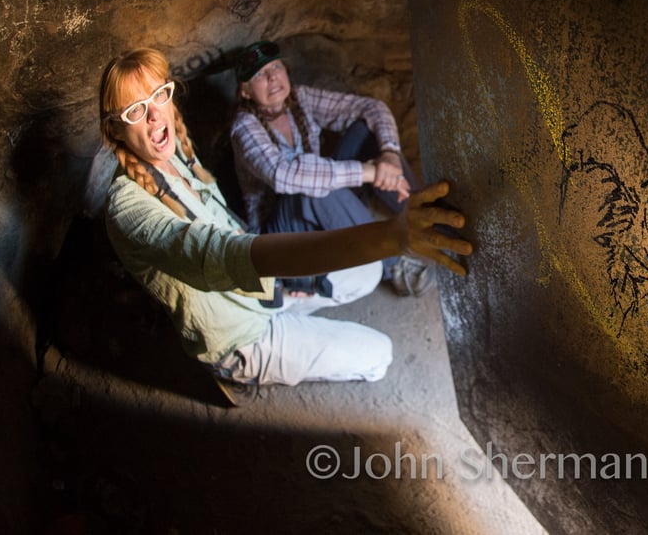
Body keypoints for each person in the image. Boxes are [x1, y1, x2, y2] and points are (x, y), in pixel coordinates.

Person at [99, 47, 472, 404]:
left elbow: (368, 109)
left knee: (369, 272)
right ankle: (238, 369)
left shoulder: (175, 152)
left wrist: (387, 153)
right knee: (381, 354)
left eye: (159, 95)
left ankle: (328, 281)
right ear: (114, 130)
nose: (152, 116)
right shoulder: (127, 206)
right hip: (241, 332)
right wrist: (391, 233)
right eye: (134, 111)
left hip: (263, 290)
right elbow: (219, 252)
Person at [230, 40, 430, 299]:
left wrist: (389, 155)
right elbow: (285, 175)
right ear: (245, 92)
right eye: (259, 75)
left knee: (364, 131)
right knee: (314, 184)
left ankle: (424, 215)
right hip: (281, 230)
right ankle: (396, 266)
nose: (272, 77)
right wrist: (368, 172)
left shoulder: (299, 98)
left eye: (276, 67)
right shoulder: (243, 126)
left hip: (318, 201)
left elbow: (371, 108)